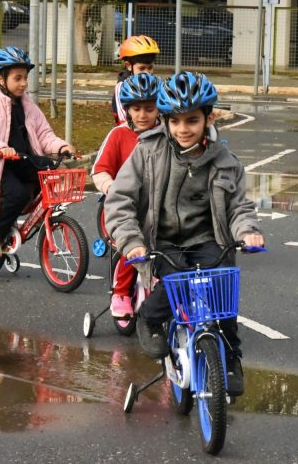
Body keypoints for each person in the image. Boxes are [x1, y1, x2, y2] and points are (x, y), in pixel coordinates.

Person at [104, 71, 265, 396]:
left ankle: (231, 359)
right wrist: (132, 241)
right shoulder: (148, 151)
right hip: (163, 241)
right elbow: (119, 200)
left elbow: (239, 207)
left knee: (222, 291)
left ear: (209, 117)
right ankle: (149, 318)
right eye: (174, 121)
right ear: (165, 121)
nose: (183, 129)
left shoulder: (225, 161)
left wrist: (248, 232)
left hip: (208, 241)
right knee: (176, 277)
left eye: (192, 120)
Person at [0, 46, 74, 258]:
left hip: (24, 159)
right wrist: (0, 148)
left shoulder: (28, 106)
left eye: (25, 77)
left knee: (49, 170)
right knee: (17, 194)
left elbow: (44, 134)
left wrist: (61, 146)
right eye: (17, 78)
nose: (24, 83)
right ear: (1, 79)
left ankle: (25, 217)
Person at [91, 72, 162, 319]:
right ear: (128, 110)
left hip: (158, 206)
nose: (143, 115)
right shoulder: (119, 135)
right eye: (137, 109)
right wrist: (113, 188)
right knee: (132, 247)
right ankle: (121, 292)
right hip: (127, 206)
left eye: (149, 109)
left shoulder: (167, 135)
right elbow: (99, 170)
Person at [111, 35, 160, 125]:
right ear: (129, 66)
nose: (147, 73)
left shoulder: (155, 84)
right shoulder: (121, 86)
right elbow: (122, 119)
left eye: (150, 68)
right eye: (141, 68)